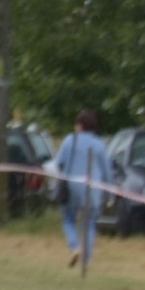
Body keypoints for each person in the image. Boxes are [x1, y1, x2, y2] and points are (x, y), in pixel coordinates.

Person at [57, 110, 113, 271]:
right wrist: (109, 193)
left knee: (68, 219)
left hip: (71, 186)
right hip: (93, 189)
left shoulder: (69, 140)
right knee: (89, 225)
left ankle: (75, 246)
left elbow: (59, 163)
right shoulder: (100, 144)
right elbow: (107, 172)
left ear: (80, 125)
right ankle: (85, 260)